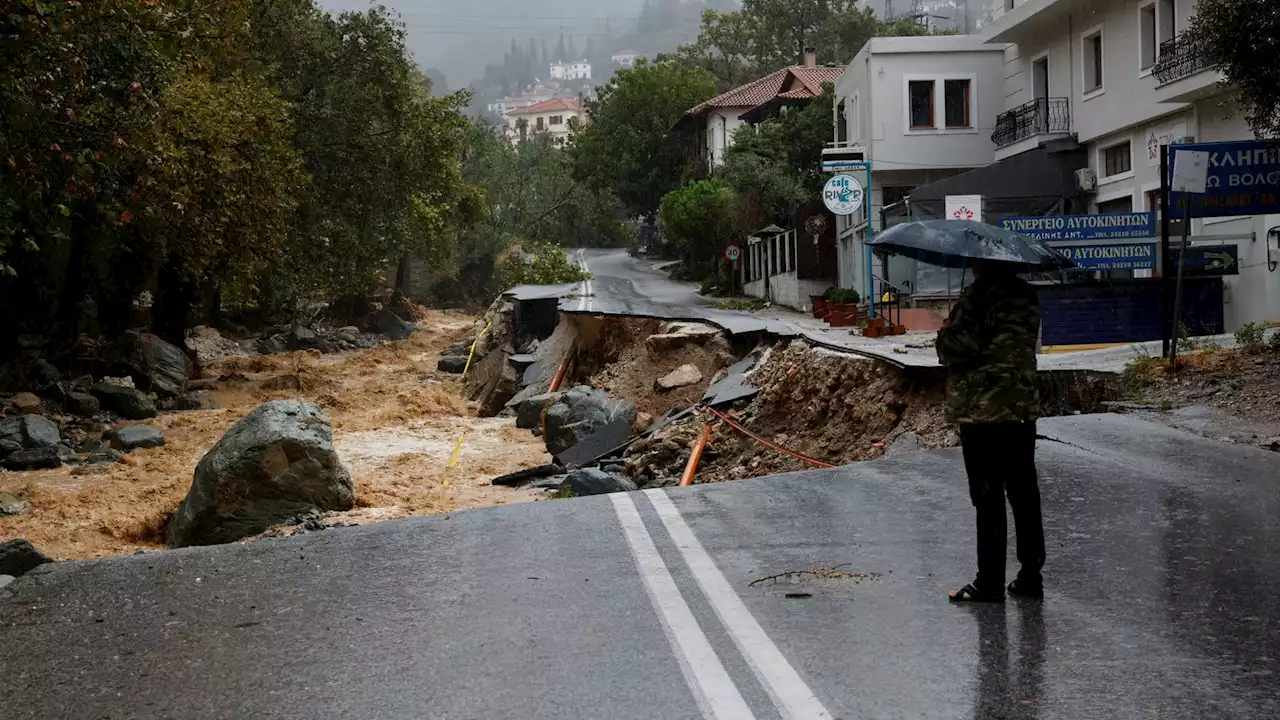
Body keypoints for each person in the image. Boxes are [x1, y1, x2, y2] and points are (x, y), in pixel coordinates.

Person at [936, 260, 1045, 602]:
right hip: (1020, 408)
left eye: (974, 262)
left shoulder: (977, 297)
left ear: (984, 264)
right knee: (1024, 491)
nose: (970, 266)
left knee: (988, 496)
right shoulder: (1026, 296)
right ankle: (1030, 576)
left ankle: (989, 582)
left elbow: (957, 348)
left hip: (983, 410)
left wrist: (943, 333)